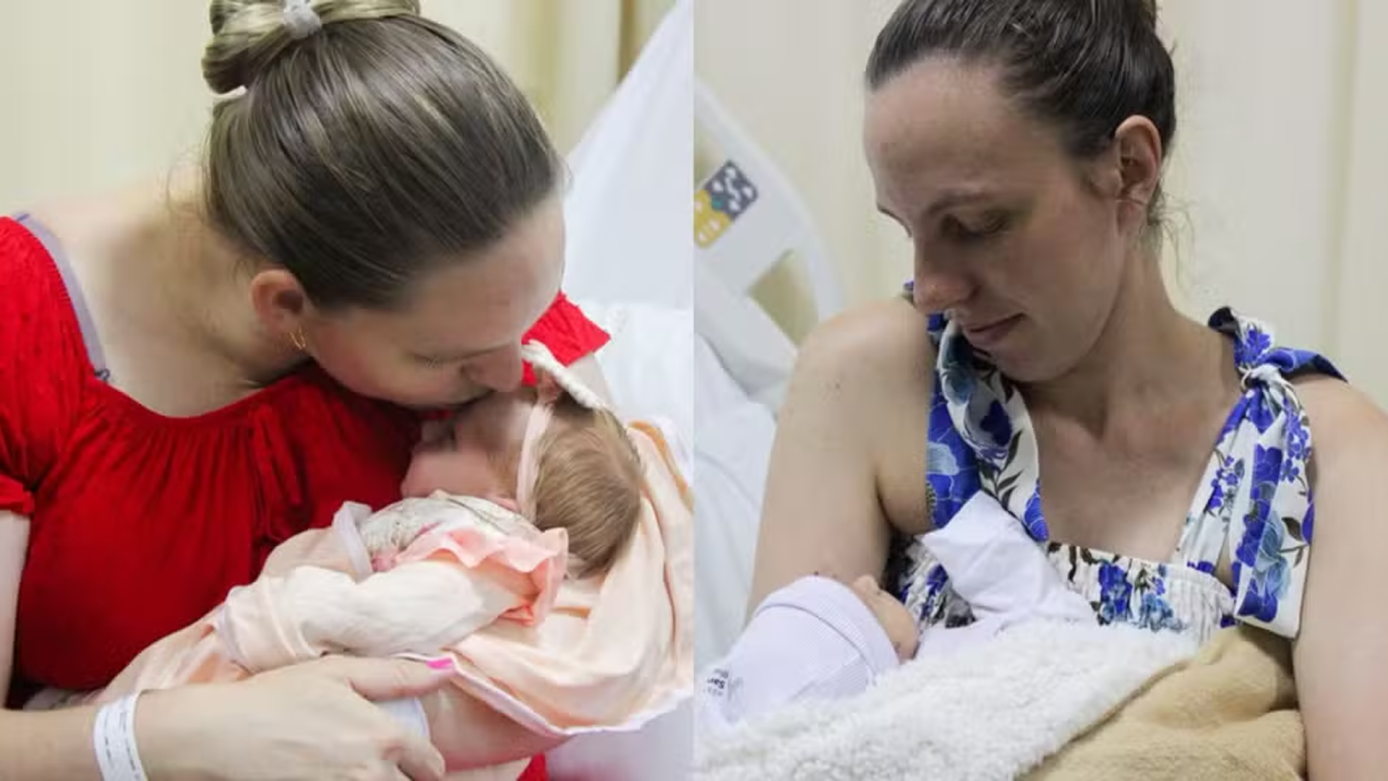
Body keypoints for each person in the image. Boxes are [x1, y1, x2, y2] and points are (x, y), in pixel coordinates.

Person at [745, 0, 1388, 776]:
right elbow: (770, 746)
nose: (933, 285)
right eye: (907, 227)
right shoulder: (872, 382)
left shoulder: (1318, 459)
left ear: (1129, 169)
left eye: (974, 224)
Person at [0, 1, 620, 778]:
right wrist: (171, 738)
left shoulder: (479, 283)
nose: (514, 373)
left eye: (535, 311)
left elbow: (628, 599)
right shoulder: (21, 324)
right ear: (287, 306)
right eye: (451, 362)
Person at [27, 343, 664, 779]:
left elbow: (390, 616)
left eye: (449, 438)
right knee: (155, 693)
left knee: (173, 692)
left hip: (281, 651)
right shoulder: (471, 540)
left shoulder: (485, 553)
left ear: (501, 504)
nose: (427, 429)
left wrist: (288, 617)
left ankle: (80, 721)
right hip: (283, 661)